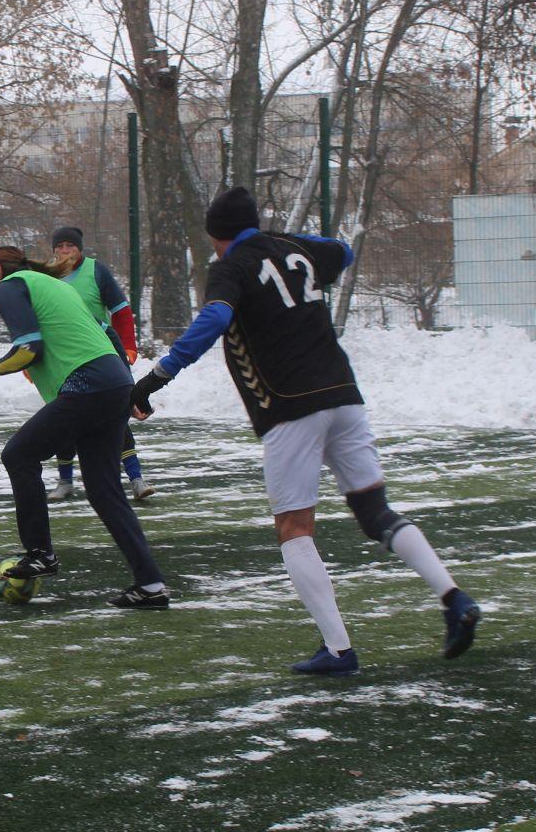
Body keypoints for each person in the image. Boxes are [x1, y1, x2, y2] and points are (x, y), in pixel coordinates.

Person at [130, 188, 481, 675]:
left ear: (216, 237)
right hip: (343, 394)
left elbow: (215, 317)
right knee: (374, 510)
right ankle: (454, 598)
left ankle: (338, 649)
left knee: (293, 528)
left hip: (290, 405)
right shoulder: (295, 248)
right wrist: (281, 239)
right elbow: (343, 249)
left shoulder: (230, 266)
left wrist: (157, 376)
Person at [0, 245, 169, 608]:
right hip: (111, 382)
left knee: (19, 455)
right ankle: (150, 586)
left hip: (86, 384)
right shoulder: (59, 288)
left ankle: (40, 553)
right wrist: (127, 387)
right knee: (105, 493)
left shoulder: (11, 285)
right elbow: (107, 333)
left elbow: (29, 349)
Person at [44, 224, 152, 502]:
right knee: (63, 417)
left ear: (80, 249)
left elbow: (121, 310)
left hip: (100, 351)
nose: (65, 251)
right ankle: (65, 480)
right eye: (59, 247)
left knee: (116, 413)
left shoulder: (96, 271)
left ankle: (136, 478)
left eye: (70, 246)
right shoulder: (46, 275)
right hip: (62, 358)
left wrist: (127, 346)